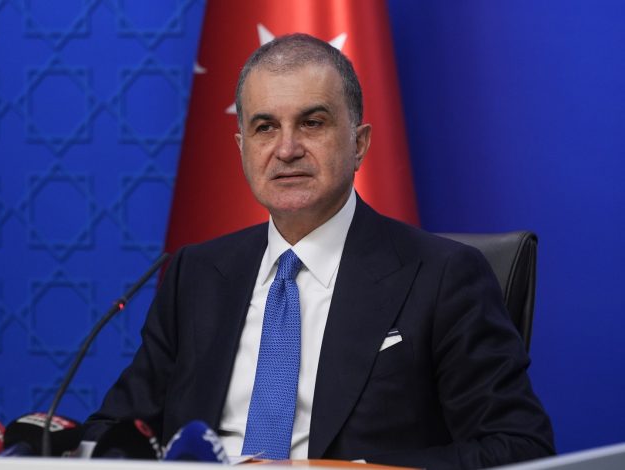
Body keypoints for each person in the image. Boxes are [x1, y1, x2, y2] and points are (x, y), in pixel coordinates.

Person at [84, 34, 555, 469]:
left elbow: (516, 447)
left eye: (312, 123)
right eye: (265, 127)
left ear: (359, 143)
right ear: (242, 148)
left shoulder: (443, 276)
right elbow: (116, 432)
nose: (286, 149)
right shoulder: (196, 274)